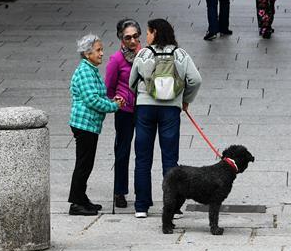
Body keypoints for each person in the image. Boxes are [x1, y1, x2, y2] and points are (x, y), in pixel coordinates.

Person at [129, 19, 202, 218]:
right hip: (170, 109)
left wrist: (143, 94)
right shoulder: (180, 54)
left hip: (145, 109)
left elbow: (132, 82)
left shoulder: (143, 54)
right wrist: (185, 100)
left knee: (142, 157)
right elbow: (195, 80)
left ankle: (141, 206)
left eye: (148, 32)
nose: (146, 36)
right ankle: (173, 207)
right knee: (170, 158)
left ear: (154, 33)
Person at [68, 34, 122, 216]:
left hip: (90, 125)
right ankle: (76, 203)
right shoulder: (85, 71)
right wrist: (114, 106)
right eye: (98, 50)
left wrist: (111, 100)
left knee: (87, 163)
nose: (102, 53)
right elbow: (92, 100)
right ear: (87, 53)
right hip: (84, 125)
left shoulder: (90, 69)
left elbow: (98, 96)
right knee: (83, 164)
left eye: (101, 49)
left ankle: (81, 198)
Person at [104, 19, 141, 209]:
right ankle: (120, 191)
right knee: (123, 150)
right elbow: (108, 87)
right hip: (125, 111)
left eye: (136, 36)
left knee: (142, 150)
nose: (133, 41)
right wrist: (117, 100)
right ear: (121, 38)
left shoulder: (144, 55)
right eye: (128, 38)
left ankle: (142, 192)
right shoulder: (116, 59)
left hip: (143, 108)